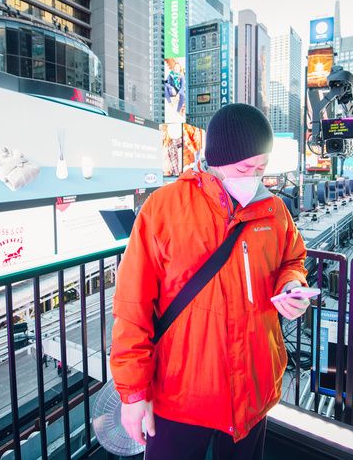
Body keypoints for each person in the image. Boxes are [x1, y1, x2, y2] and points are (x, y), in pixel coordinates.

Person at [110, 104, 311, 460]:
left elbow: (292, 259)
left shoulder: (274, 211)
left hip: (251, 390)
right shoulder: (163, 208)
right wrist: (133, 393)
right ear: (216, 160)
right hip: (181, 396)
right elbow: (132, 304)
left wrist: (291, 284)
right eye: (245, 167)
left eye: (261, 167)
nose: (254, 176)